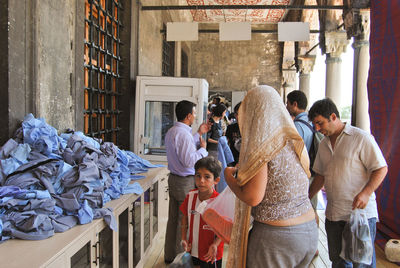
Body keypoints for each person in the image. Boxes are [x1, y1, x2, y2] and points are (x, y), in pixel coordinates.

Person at [224, 85, 318, 268]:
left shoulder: (263, 144)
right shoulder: (291, 139)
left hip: (278, 238)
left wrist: (230, 179)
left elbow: (253, 196)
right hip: (308, 230)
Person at [308, 98, 388, 268]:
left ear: (333, 116)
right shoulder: (323, 144)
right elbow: (320, 175)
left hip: (360, 214)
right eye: (315, 124)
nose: (317, 128)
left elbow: (381, 168)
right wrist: (307, 197)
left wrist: (366, 193)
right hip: (334, 214)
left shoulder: (361, 138)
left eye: (320, 123)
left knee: (362, 262)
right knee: (338, 261)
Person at [164, 100, 211, 264]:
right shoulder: (182, 134)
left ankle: (170, 255)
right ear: (189, 115)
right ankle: (179, 260)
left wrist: (198, 134)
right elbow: (189, 161)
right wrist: (203, 150)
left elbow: (186, 148)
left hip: (175, 179)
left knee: (173, 219)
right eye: (195, 113)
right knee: (183, 221)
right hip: (183, 181)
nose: (196, 116)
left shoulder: (173, 131)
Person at [180, 156, 224, 268]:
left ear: (216, 180)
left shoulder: (219, 201)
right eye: (198, 176)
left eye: (207, 177)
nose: (201, 181)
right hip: (192, 249)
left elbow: (225, 229)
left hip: (211, 253)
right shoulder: (190, 196)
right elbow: (184, 217)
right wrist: (184, 238)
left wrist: (215, 244)